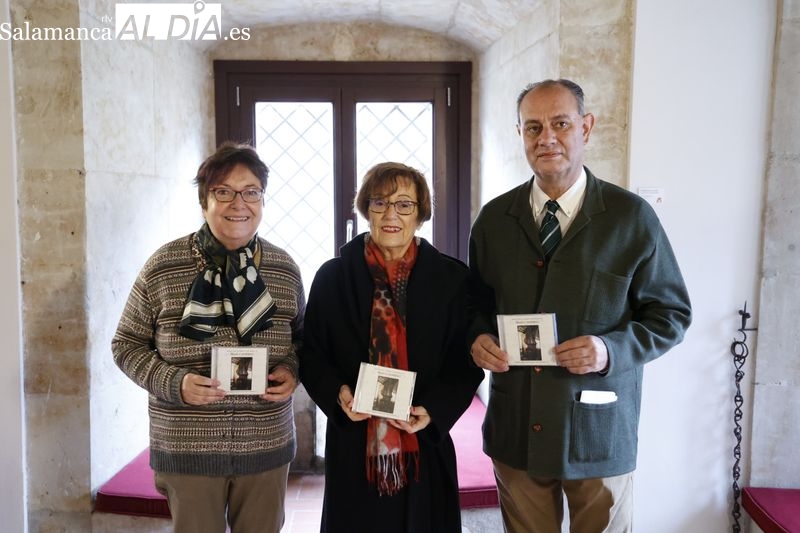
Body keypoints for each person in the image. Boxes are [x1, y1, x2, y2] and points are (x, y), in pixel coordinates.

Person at [467, 79, 692, 533]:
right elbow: (474, 305)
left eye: (560, 124)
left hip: (598, 429)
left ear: (586, 128)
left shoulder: (631, 218)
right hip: (517, 424)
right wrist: (478, 339)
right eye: (533, 127)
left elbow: (671, 314)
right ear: (520, 135)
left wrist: (610, 350)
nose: (546, 137)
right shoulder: (494, 220)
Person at [112, 141, 305, 533]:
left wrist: (292, 370)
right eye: (224, 192)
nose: (239, 203)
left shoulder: (284, 268)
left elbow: (304, 339)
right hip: (187, 450)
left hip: (265, 447)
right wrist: (175, 382)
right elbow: (126, 344)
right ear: (205, 202)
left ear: (262, 201)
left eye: (251, 192)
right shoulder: (165, 265)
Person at [300, 162, 484, 533]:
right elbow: (312, 354)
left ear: (421, 214)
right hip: (355, 442)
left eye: (404, 204)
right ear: (366, 209)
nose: (390, 214)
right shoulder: (332, 277)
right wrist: (338, 394)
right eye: (380, 202)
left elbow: (465, 363)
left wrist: (432, 411)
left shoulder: (452, 279)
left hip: (423, 443)